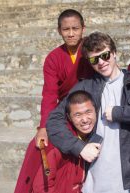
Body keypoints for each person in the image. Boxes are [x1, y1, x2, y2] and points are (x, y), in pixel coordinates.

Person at [46, 32, 130, 193]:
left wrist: (121, 113)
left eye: (105, 55)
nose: (102, 62)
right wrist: (79, 148)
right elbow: (54, 120)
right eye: (94, 59)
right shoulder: (85, 87)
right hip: (97, 178)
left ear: (114, 53)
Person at [14, 90, 100, 193]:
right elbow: (42, 188)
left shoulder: (93, 137)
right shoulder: (57, 143)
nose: (85, 119)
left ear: (96, 111)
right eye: (78, 115)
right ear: (69, 117)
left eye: (88, 112)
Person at [35, 9, 94, 148]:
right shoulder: (53, 58)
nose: (71, 34)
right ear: (59, 31)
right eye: (66, 29)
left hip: (94, 108)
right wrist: (43, 127)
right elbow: (50, 94)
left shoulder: (92, 48)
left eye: (75, 28)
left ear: (83, 28)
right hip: (67, 110)